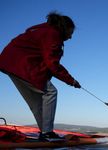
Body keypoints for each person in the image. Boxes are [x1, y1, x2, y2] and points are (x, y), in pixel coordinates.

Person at [0, 12, 81, 141]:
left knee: (37, 101)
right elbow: (52, 63)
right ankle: (47, 132)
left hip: (9, 63)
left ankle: (45, 133)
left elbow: (45, 61)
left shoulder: (43, 31)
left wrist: (70, 80)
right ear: (64, 28)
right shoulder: (52, 34)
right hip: (21, 65)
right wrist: (71, 81)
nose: (70, 37)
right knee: (51, 92)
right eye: (70, 32)